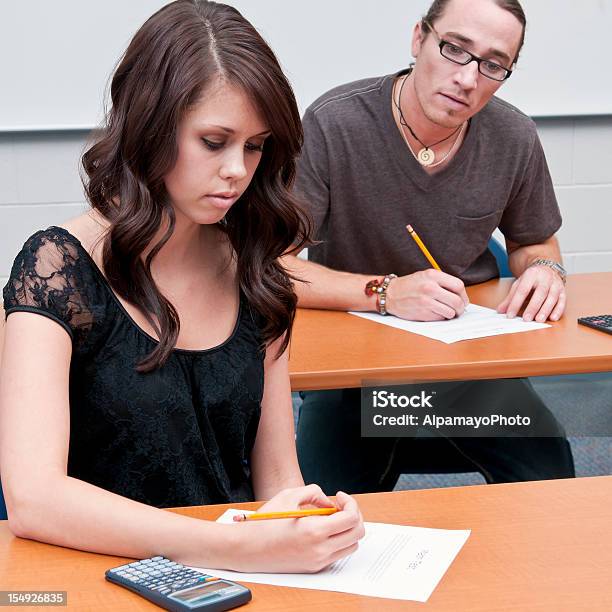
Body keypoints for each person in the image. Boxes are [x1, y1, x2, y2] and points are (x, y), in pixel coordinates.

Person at [0, 0, 364, 573]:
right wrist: (233, 547)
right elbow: (33, 500)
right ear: (150, 129)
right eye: (215, 142)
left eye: (255, 145)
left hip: (232, 579)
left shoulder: (256, 273)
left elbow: (275, 478)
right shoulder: (55, 269)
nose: (239, 171)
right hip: (96, 577)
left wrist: (307, 520)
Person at [283, 0, 575, 494]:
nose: (468, 78)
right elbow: (274, 266)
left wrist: (546, 268)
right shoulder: (334, 124)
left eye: (493, 64)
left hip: (469, 366)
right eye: (454, 50)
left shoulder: (513, 135)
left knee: (552, 474)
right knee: (324, 507)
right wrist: (386, 292)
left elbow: (534, 241)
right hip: (355, 370)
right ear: (419, 38)